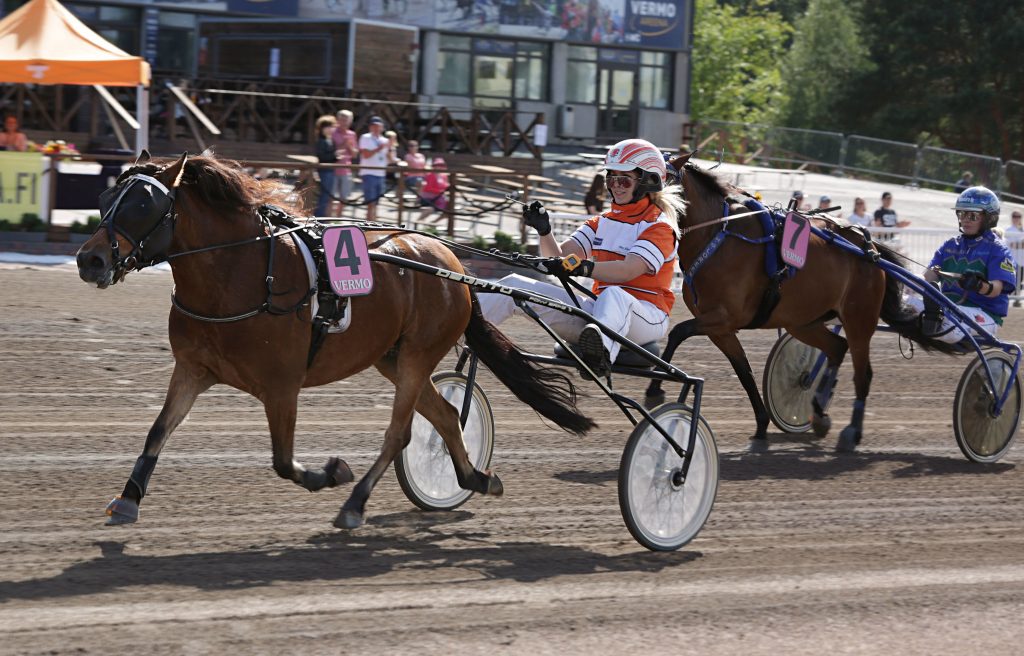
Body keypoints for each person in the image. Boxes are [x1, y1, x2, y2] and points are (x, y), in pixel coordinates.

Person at [477, 138, 685, 376]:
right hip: (598, 313)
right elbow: (560, 258)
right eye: (611, 178)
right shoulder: (601, 222)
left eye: (624, 179)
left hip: (647, 318)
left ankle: (599, 356)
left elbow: (628, 270)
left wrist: (584, 268)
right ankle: (455, 329)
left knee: (614, 294)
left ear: (648, 180)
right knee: (513, 286)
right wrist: (545, 231)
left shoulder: (659, 226)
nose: (616, 185)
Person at [905, 186, 1015, 342]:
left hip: (983, 315)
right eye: (962, 214)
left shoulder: (998, 249)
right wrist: (904, 281)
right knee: (902, 303)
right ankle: (934, 316)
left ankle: (934, 317)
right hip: (947, 309)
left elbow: (996, 290)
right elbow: (926, 278)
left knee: (951, 322)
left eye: (973, 215)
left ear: (989, 218)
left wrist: (978, 285)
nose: (965, 220)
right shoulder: (949, 245)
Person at [359, 116, 390, 221]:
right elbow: (366, 154)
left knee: (377, 203)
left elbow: (388, 159)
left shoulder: (385, 140)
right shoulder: (365, 137)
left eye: (378, 126)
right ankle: (369, 223)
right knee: (370, 202)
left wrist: (391, 150)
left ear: (382, 127)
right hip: (369, 172)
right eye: (374, 126)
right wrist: (379, 148)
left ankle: (374, 223)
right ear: (370, 127)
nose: (376, 128)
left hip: (381, 174)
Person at [331, 109, 357, 217]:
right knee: (331, 196)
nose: (344, 122)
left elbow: (355, 154)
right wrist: (344, 143)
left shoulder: (352, 134)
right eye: (342, 119)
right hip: (333, 169)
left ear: (350, 121)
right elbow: (331, 151)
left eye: (346, 120)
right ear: (338, 120)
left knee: (344, 197)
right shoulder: (332, 132)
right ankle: (327, 220)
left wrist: (349, 146)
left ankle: (337, 219)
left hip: (346, 169)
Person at [313, 114, 337, 217]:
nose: (330, 129)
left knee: (326, 195)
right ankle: (319, 217)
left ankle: (322, 216)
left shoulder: (329, 140)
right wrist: (334, 156)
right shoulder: (322, 141)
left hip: (330, 170)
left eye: (331, 127)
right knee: (324, 195)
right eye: (327, 127)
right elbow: (322, 156)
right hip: (324, 170)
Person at [418, 157, 450, 223]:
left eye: (441, 165)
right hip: (429, 197)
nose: (439, 167)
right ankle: (418, 222)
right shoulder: (430, 175)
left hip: (440, 197)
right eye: (437, 165)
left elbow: (446, 186)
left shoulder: (444, 176)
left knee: (450, 210)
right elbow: (428, 187)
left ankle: (434, 222)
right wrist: (439, 191)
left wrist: (445, 191)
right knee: (430, 209)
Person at [1005, 210, 1024, 307]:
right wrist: (1020, 244)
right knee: (1011, 280)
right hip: (1011, 261)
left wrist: (1018, 244)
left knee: (1019, 281)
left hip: (1021, 261)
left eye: (1018, 216)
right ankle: (1009, 298)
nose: (1016, 218)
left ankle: (1016, 299)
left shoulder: (1022, 230)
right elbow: (1012, 245)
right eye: (1014, 216)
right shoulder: (1009, 230)